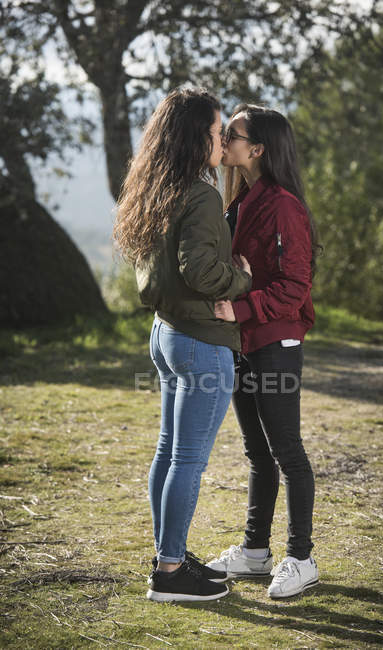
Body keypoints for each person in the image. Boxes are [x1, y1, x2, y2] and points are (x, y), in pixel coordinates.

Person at [113, 88, 252, 602]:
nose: (222, 141)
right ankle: (170, 572)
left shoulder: (157, 187)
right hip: (199, 340)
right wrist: (240, 280)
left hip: (166, 333)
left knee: (170, 452)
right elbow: (200, 269)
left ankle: (167, 554)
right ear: (198, 138)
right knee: (187, 459)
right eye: (218, 133)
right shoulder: (200, 193)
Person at [206, 104, 321, 599]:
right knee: (258, 453)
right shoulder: (242, 198)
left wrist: (243, 307)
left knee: (287, 452)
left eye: (232, 133)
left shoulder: (285, 206)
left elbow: (296, 285)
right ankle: (255, 552)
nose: (224, 139)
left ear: (257, 149)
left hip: (276, 339)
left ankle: (301, 557)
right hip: (245, 341)